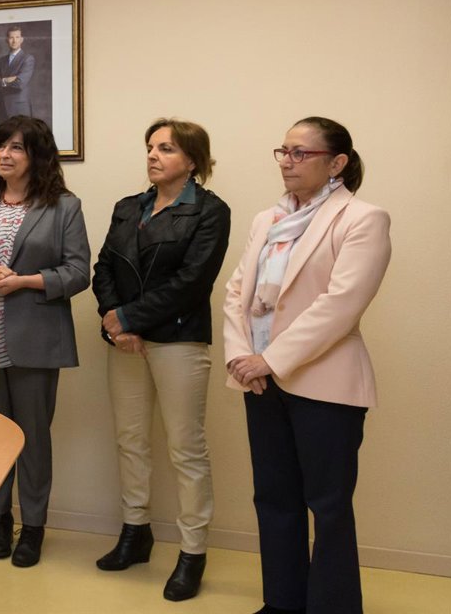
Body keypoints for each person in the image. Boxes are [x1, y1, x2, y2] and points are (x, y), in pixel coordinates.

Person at [224, 117, 390, 614]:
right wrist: (241, 356)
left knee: (329, 507)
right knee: (274, 499)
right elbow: (237, 291)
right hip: (261, 382)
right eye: (284, 151)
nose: (287, 162)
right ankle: (282, 604)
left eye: (301, 153)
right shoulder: (266, 220)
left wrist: (269, 360)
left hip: (326, 386)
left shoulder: (362, 218)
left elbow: (340, 305)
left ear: (336, 163)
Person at [91, 118, 231, 602]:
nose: (152, 155)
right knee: (130, 439)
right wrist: (117, 321)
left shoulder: (210, 211)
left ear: (192, 160)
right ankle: (136, 533)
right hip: (125, 342)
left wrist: (128, 317)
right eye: (150, 147)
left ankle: (192, 553)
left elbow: (193, 282)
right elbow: (104, 267)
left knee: (185, 449)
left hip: (178, 340)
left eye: (166, 148)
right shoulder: (128, 207)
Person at [0, 115, 90, 568]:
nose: (4, 155)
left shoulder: (64, 207)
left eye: (17, 147)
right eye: (1, 145)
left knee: (32, 439)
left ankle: (33, 528)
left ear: (37, 156)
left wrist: (25, 281)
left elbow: (77, 272)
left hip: (36, 340)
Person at [0, 26, 35, 122]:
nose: (14, 41)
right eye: (11, 37)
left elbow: (20, 83)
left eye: (17, 37)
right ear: (6, 40)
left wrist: (0, 81)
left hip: (20, 109)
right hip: (3, 109)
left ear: (22, 39)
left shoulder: (28, 59)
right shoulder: (0, 61)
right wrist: (6, 80)